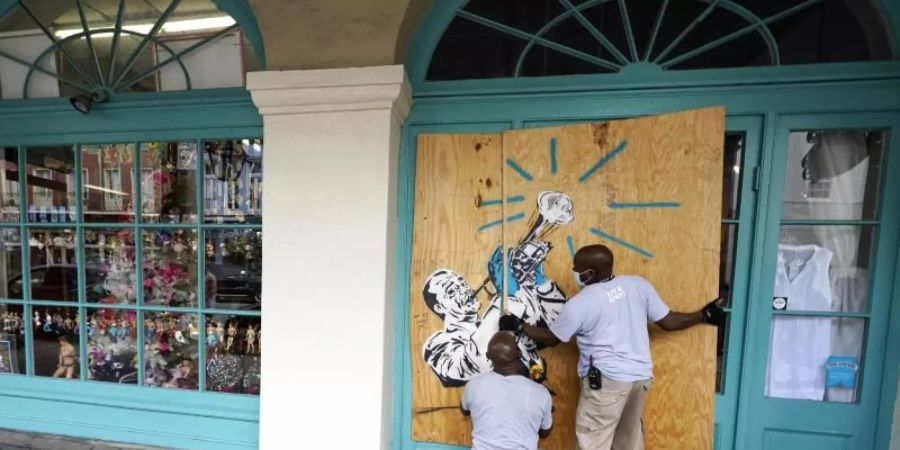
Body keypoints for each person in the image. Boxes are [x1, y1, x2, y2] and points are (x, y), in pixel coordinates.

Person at [500, 244, 725, 450]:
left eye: (577, 268)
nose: (574, 271)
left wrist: (520, 326)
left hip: (606, 383)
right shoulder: (638, 285)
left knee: (593, 443)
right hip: (639, 378)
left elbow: (553, 338)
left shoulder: (582, 303)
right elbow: (670, 322)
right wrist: (703, 315)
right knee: (628, 443)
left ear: (590, 273)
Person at [461, 332, 553, 450]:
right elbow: (545, 432)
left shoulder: (473, 385)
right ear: (519, 353)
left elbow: (464, 411)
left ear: (488, 356)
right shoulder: (541, 394)